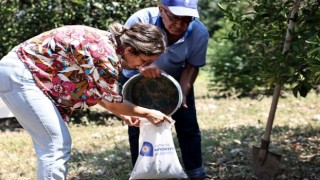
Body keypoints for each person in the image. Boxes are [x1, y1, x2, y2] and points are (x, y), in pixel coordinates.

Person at [0, 22, 170, 180]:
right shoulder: (105, 57)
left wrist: (123, 115)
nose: (141, 67)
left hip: (18, 71)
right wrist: (147, 113)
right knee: (55, 144)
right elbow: (112, 103)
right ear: (129, 51)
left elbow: (98, 91)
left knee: (53, 144)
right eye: (144, 61)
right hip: (21, 75)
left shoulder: (106, 42)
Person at [119, 0, 210, 179]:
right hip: (136, 78)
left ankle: (196, 173)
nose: (179, 24)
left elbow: (192, 66)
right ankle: (142, 172)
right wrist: (142, 67)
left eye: (186, 19)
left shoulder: (199, 33)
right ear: (161, 10)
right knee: (138, 124)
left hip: (175, 80)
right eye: (174, 17)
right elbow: (125, 53)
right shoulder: (139, 20)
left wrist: (183, 94)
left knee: (188, 123)